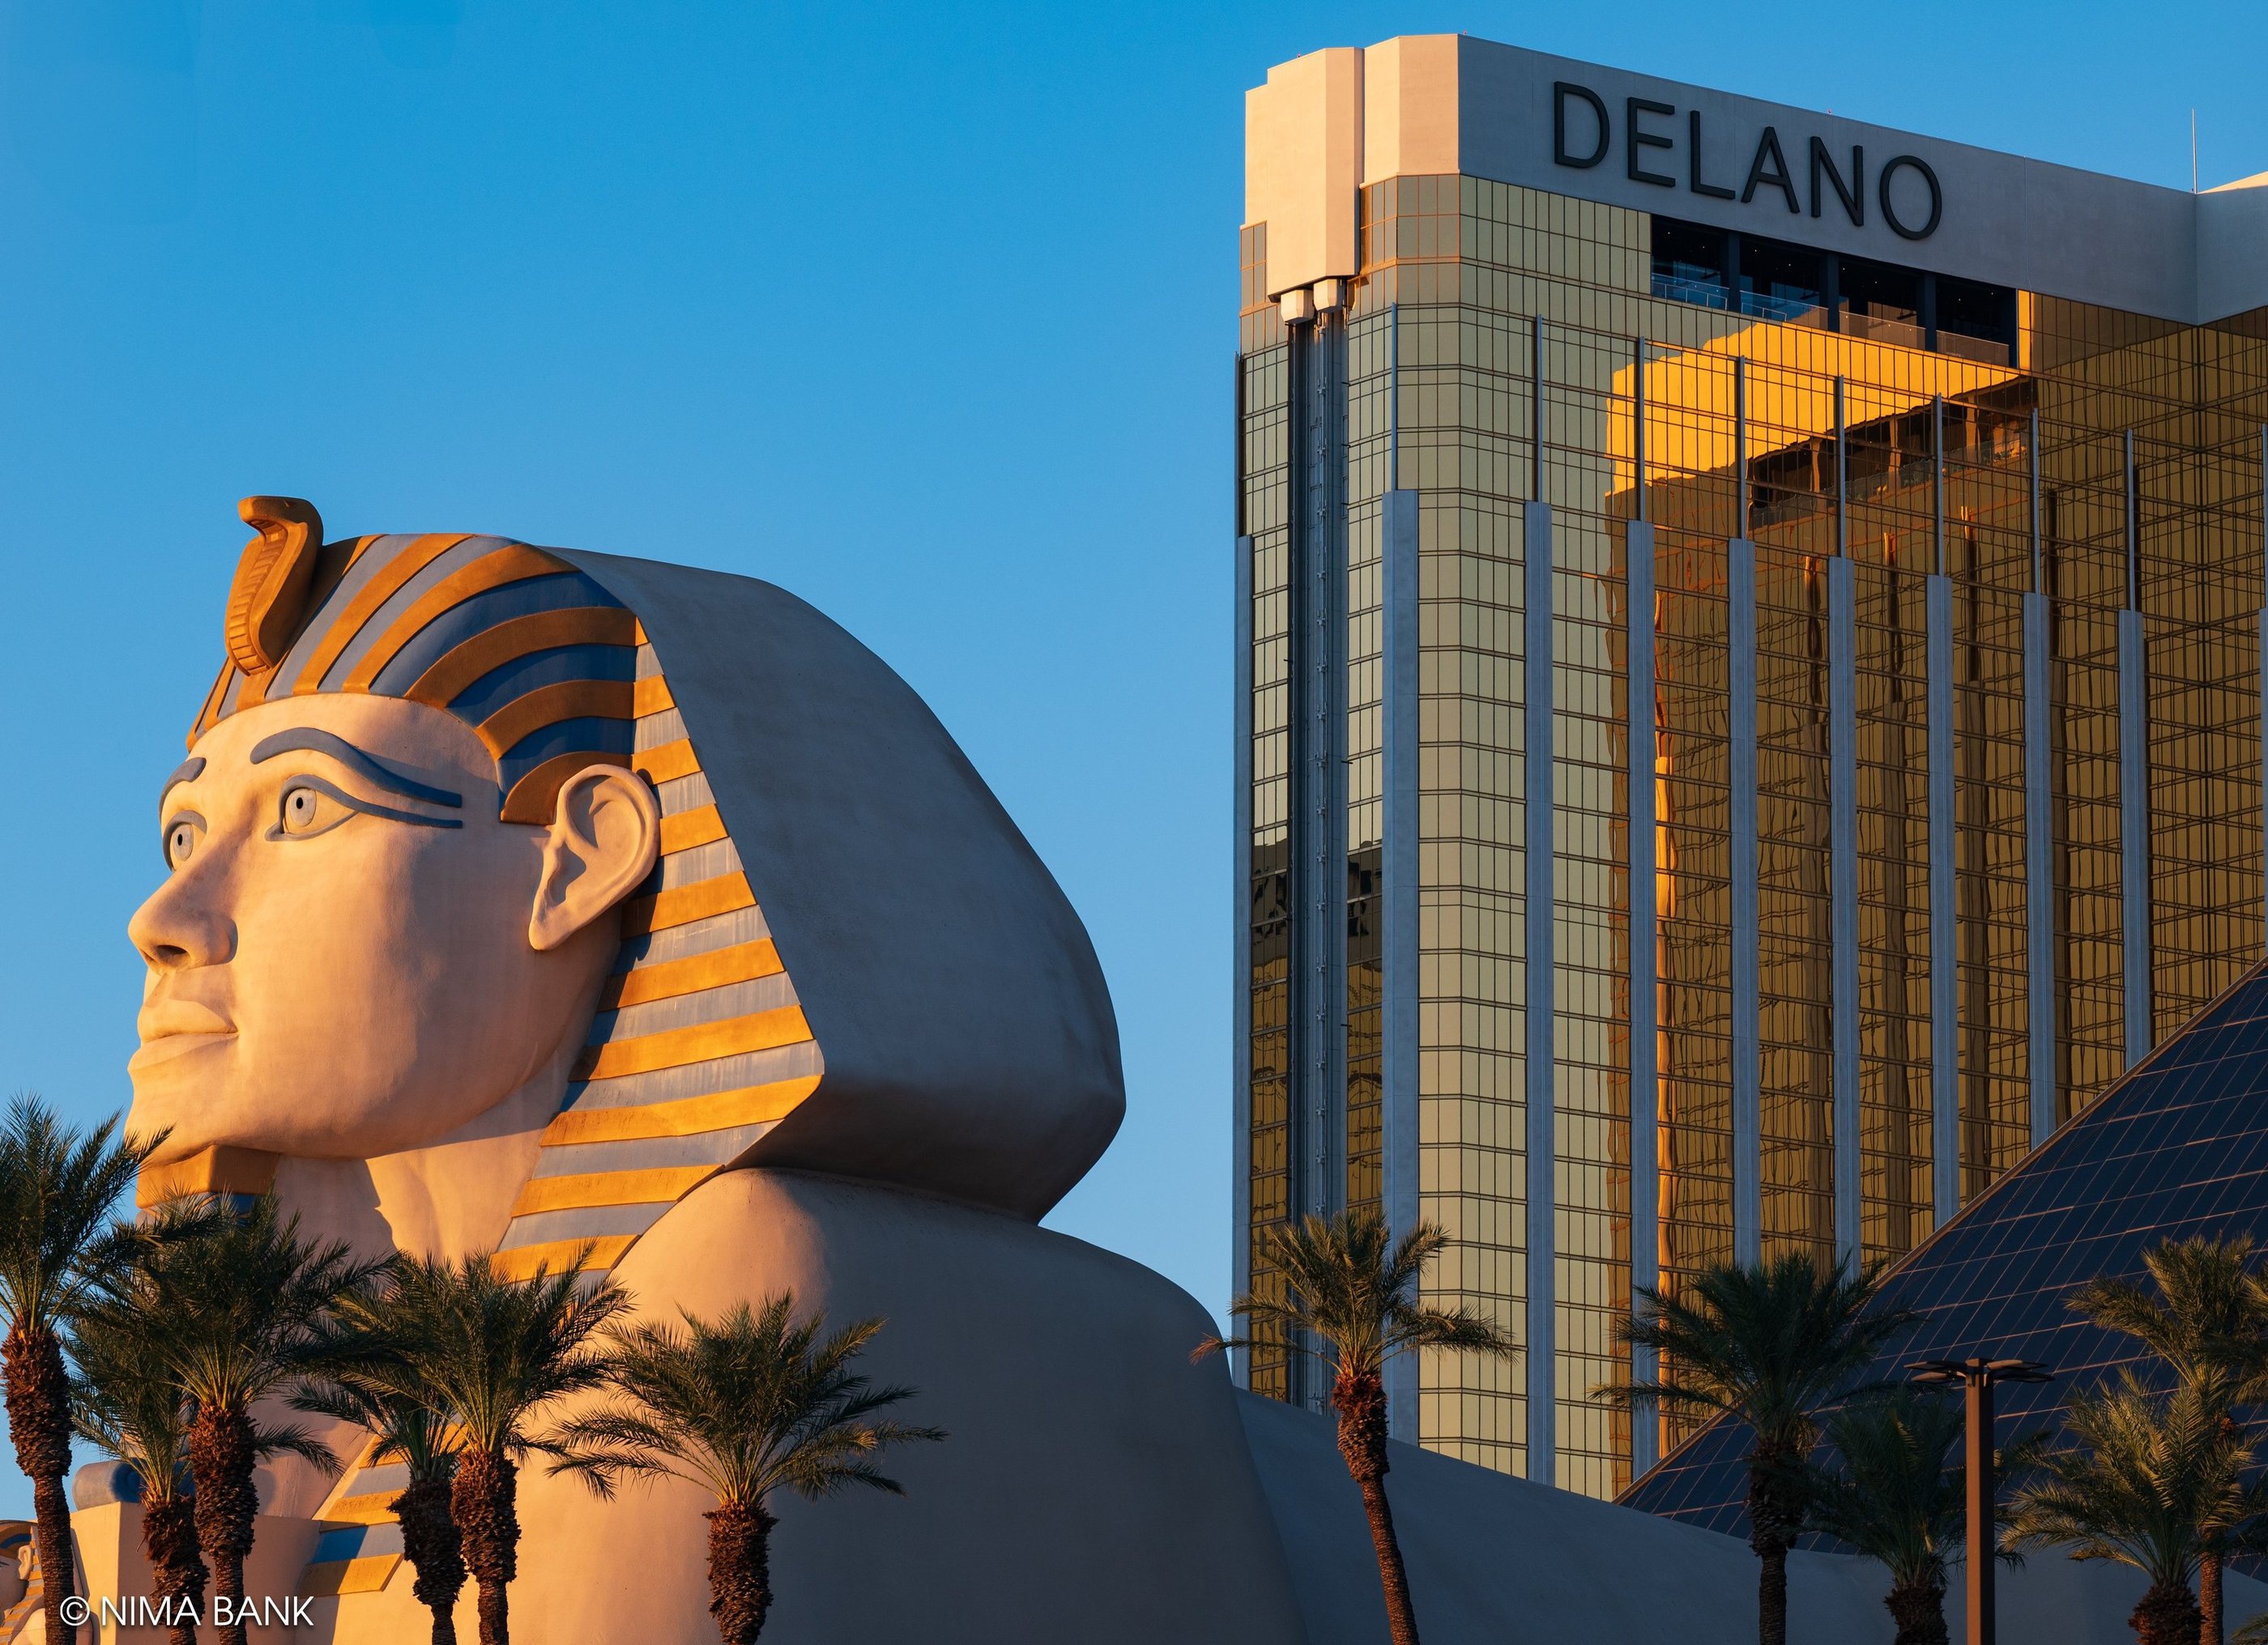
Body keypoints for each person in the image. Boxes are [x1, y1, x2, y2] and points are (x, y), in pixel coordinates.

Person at [126, 498, 1302, 1643]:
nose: (166, 916)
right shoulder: (331, 1395)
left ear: (582, 859)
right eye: (186, 834)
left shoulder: (761, 1291)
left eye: (301, 805)